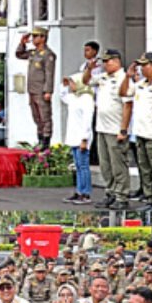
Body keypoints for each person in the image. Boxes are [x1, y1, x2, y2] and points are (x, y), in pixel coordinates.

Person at [120, 52, 152, 213]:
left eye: (145, 65)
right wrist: (127, 77)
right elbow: (123, 93)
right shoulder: (140, 84)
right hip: (140, 133)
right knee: (144, 168)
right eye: (141, 66)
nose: (142, 69)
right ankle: (149, 198)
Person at [15, 26, 56, 149]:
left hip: (41, 91)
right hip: (32, 90)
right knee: (36, 116)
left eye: (35, 36)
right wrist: (22, 43)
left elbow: (49, 74)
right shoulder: (34, 53)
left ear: (43, 38)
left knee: (45, 117)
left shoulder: (48, 55)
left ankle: (46, 141)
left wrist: (48, 91)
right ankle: (40, 139)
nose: (33, 39)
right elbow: (19, 54)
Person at [60, 72, 94, 205]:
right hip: (73, 136)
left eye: (73, 82)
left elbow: (87, 120)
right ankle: (79, 190)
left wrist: (84, 138)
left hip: (81, 137)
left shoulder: (86, 98)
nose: (71, 85)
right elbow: (62, 96)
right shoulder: (74, 97)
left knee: (83, 165)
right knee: (78, 166)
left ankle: (85, 193)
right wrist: (63, 85)